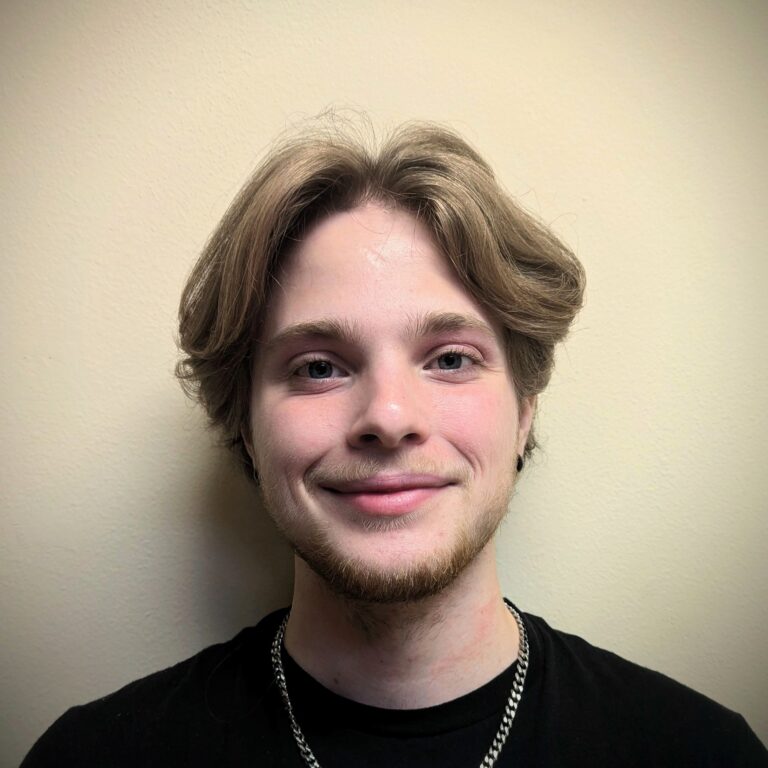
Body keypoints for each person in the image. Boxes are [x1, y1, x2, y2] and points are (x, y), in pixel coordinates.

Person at [23, 118, 767, 767]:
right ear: (245, 425)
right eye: (318, 367)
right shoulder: (95, 756)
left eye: (450, 358)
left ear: (526, 409)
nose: (388, 415)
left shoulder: (700, 751)